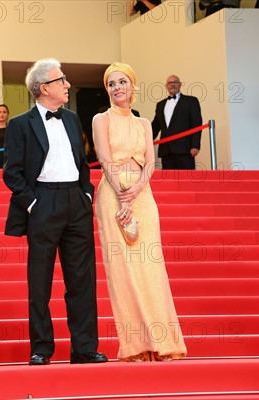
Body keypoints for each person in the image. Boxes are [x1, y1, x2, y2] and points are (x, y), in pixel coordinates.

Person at [3, 58, 107, 366]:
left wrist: (86, 193)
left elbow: (81, 160)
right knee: (40, 281)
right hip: (43, 203)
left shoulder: (73, 118)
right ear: (44, 88)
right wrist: (33, 203)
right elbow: (13, 173)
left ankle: (84, 348)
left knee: (82, 280)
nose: (67, 85)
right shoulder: (20, 124)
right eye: (61, 80)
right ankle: (41, 349)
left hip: (76, 201)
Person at [92, 62, 187, 362]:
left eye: (122, 82)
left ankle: (162, 340)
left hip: (143, 195)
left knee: (150, 266)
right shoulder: (100, 119)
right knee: (123, 270)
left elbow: (150, 163)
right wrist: (123, 194)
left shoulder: (144, 123)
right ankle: (135, 345)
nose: (117, 87)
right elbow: (105, 159)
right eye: (111, 84)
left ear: (132, 85)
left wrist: (137, 189)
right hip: (113, 193)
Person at [151, 75, 203, 170]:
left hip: (185, 149)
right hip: (166, 150)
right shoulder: (160, 105)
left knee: (187, 181)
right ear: (166, 86)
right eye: (169, 83)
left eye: (175, 82)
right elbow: (155, 126)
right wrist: (144, 142)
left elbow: (196, 124)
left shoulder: (191, 101)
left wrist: (195, 146)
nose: (172, 85)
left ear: (180, 85)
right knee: (169, 182)